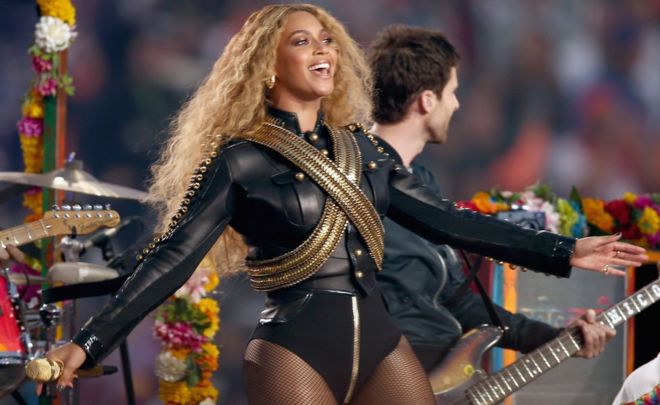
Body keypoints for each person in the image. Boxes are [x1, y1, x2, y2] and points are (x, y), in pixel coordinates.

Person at [19, 4, 646, 404]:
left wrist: (565, 251)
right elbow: (173, 260)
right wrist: (87, 344)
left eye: (326, 39)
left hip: (380, 344)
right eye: (301, 41)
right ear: (267, 65)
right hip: (294, 348)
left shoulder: (362, 150)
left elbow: (451, 223)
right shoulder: (240, 159)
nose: (321, 50)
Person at [368, 25, 621, 373]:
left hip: (440, 369)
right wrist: (566, 250)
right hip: (393, 370)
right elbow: (457, 225)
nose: (456, 104)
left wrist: (558, 338)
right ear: (427, 100)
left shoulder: (422, 181)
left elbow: (462, 305)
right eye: (452, 92)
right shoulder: (364, 175)